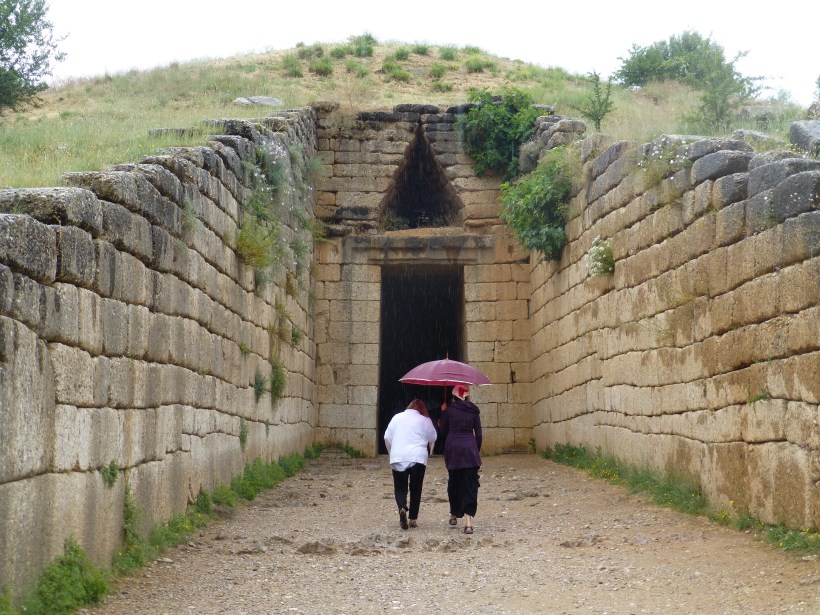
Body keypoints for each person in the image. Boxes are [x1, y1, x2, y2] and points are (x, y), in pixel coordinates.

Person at [383, 399, 438, 530]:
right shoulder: (425, 420)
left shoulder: (396, 418)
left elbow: (386, 437)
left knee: (400, 487)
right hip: (418, 457)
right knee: (416, 488)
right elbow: (433, 437)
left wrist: (392, 453)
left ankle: (402, 507)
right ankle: (413, 518)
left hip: (398, 456)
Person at [440, 383, 482, 534]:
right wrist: (474, 450)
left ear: (453, 396)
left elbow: (443, 431)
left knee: (454, 483)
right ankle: (468, 523)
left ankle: (453, 514)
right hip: (470, 451)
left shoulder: (449, 411)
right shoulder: (474, 411)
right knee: (469, 485)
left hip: (453, 451)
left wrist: (443, 413)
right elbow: (479, 435)